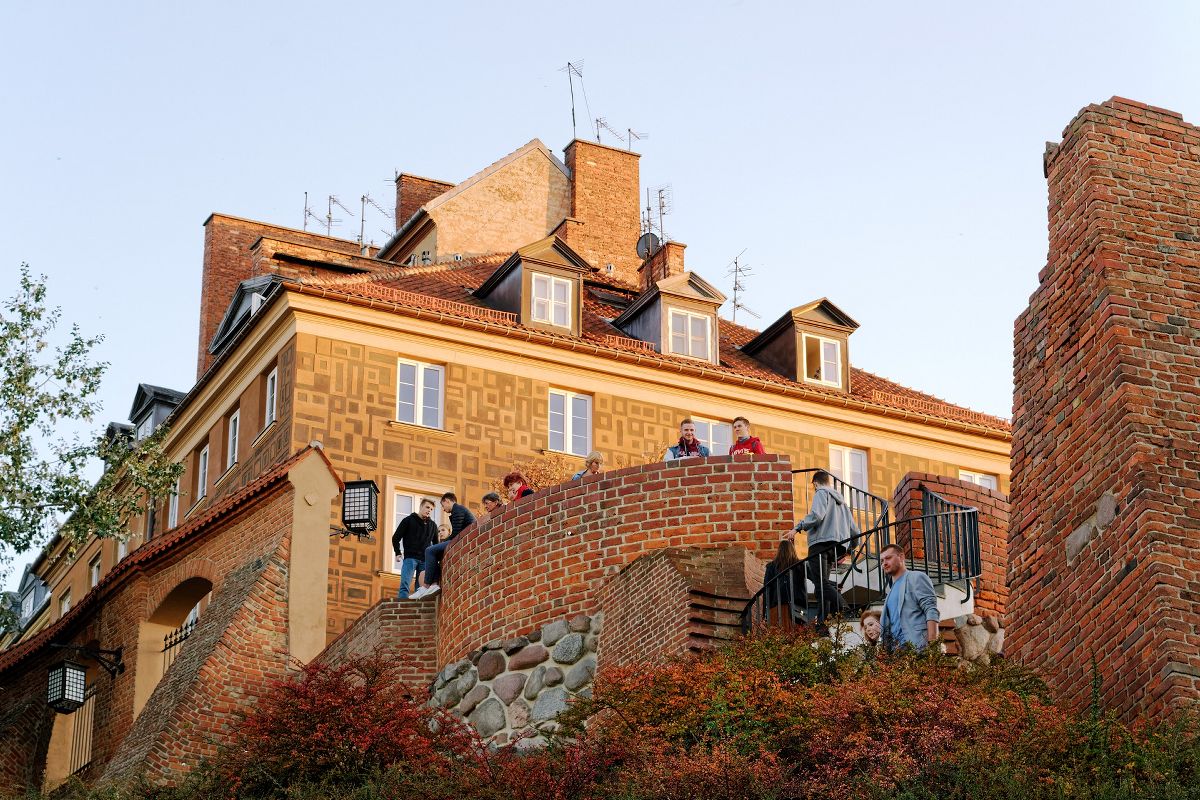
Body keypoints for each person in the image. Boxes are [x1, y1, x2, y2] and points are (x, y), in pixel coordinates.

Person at [793, 471, 858, 618]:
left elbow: (817, 515)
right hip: (836, 547)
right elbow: (855, 530)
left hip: (820, 545)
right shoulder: (843, 503)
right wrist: (850, 549)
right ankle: (823, 622)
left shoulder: (821, 493)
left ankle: (845, 609)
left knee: (821, 585)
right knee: (822, 586)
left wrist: (798, 527)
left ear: (815, 483)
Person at [411, 493, 477, 600]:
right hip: (463, 539)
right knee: (434, 552)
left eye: (443, 505)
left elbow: (456, 534)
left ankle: (426, 586)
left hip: (464, 540)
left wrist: (441, 543)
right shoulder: (458, 510)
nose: (443, 509)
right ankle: (434, 585)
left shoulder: (458, 509)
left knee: (429, 550)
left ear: (447, 501)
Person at [878, 543, 940, 651]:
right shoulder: (890, 593)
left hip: (917, 647)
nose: (884, 563)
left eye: (888, 558)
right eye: (882, 561)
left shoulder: (916, 577)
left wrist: (933, 644)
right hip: (896, 654)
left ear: (901, 557)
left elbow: (931, 609)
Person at [391, 497, 438, 600]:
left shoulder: (433, 526)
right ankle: (402, 607)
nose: (429, 510)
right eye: (427, 507)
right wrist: (397, 552)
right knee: (405, 584)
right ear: (421, 506)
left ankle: (417, 608)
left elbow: (436, 545)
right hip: (410, 558)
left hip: (425, 561)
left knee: (421, 588)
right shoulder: (408, 520)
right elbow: (396, 538)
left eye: (431, 509)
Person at [762, 539, 806, 628]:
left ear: (779, 551)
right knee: (797, 635)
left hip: (777, 605)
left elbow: (767, 590)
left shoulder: (771, 566)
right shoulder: (800, 565)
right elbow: (813, 579)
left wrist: (765, 613)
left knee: (778, 635)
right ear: (793, 550)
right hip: (797, 607)